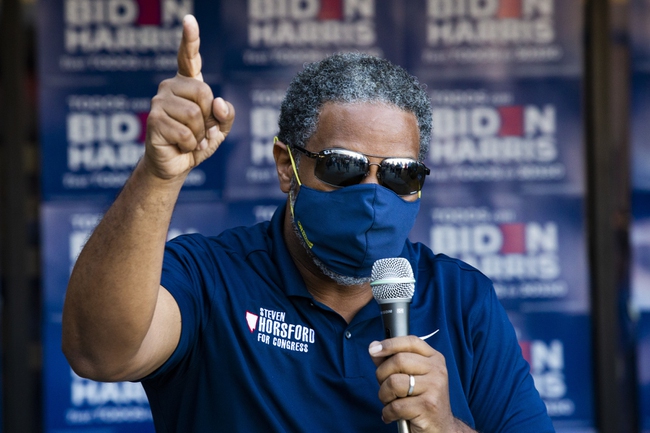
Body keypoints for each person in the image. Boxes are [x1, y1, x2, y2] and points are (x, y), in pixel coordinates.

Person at [62, 14, 555, 433]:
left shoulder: (461, 298)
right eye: (343, 166)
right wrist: (158, 175)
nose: (373, 196)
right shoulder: (210, 277)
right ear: (286, 165)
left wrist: (446, 426)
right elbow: (98, 353)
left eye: (400, 174)